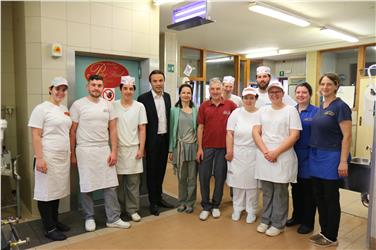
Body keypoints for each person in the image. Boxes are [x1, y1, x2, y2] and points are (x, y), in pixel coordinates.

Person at [70, 74, 130, 232]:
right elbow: (72, 131)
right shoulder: (78, 105)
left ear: (103, 87)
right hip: (85, 149)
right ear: (87, 86)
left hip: (104, 149)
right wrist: (72, 154)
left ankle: (113, 218)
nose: (96, 88)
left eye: (99, 85)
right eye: (93, 85)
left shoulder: (108, 105)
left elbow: (113, 129)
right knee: (87, 186)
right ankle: (89, 217)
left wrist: (114, 151)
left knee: (110, 185)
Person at [253, 80, 302, 237]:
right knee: (267, 191)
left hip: (283, 155)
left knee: (280, 191)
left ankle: (278, 223)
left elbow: (295, 135)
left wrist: (276, 152)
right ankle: (265, 219)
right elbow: (256, 132)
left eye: (277, 92)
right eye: (271, 92)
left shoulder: (290, 111)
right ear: (268, 94)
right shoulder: (263, 110)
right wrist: (266, 151)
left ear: (283, 93)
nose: (274, 95)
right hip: (265, 154)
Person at [308, 73, 352, 247]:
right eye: (322, 84)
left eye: (329, 84)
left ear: (336, 86)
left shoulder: (341, 107)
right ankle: (324, 231)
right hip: (316, 156)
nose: (325, 87)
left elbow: (347, 136)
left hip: (332, 157)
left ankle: (331, 236)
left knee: (330, 197)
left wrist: (343, 161)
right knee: (319, 196)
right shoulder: (321, 106)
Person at [28, 77, 72, 241]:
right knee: (45, 193)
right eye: (57, 89)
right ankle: (49, 228)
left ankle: (55, 220)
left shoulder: (63, 108)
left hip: (61, 158)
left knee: (56, 191)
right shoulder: (41, 109)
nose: (60, 92)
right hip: (47, 156)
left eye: (63, 89)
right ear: (50, 89)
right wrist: (40, 158)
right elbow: (35, 134)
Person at [196, 77, 237, 221]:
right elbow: (200, 128)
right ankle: (206, 206)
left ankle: (215, 206)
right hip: (206, 147)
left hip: (223, 148)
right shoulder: (203, 106)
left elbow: (236, 127)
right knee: (204, 177)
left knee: (220, 177)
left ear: (222, 90)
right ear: (209, 90)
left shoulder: (230, 105)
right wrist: (199, 148)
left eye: (217, 89)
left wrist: (232, 148)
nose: (215, 91)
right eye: (212, 89)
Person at [137, 70, 173, 216]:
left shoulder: (168, 97)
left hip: (164, 139)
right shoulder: (143, 99)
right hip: (151, 140)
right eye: (155, 81)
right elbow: (140, 124)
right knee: (151, 172)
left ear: (164, 81)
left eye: (160, 80)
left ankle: (159, 198)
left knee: (161, 170)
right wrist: (142, 145)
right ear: (150, 82)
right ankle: (152, 202)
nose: (158, 84)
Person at [113, 76, 147, 222]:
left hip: (134, 149)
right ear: (120, 89)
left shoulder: (139, 106)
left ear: (134, 90)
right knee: (118, 184)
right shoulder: (113, 105)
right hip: (118, 150)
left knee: (133, 183)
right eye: (125, 88)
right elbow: (111, 128)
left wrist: (141, 148)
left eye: (131, 89)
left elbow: (142, 129)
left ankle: (132, 210)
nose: (128, 91)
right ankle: (119, 210)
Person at [286, 82, 318, 234]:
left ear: (310, 94)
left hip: (309, 156)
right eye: (298, 92)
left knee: (308, 191)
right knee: (296, 189)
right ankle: (296, 216)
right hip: (292, 154)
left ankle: (308, 222)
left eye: (304, 92)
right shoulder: (291, 111)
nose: (300, 95)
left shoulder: (316, 112)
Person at [225, 86, 260, 224]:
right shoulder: (236, 113)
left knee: (252, 185)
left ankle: (251, 210)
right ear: (242, 99)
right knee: (237, 183)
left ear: (255, 99)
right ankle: (237, 208)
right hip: (237, 152)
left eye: (251, 98)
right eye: (246, 98)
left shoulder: (261, 113)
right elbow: (229, 133)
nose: (249, 100)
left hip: (254, 152)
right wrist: (229, 151)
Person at [168, 83, 198, 214]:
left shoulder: (196, 110)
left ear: (191, 95)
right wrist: (170, 149)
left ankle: (190, 203)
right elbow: (171, 131)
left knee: (192, 178)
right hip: (179, 147)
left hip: (193, 147)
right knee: (181, 177)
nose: (186, 95)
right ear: (179, 94)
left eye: (188, 93)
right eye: (183, 92)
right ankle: (182, 202)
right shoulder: (174, 110)